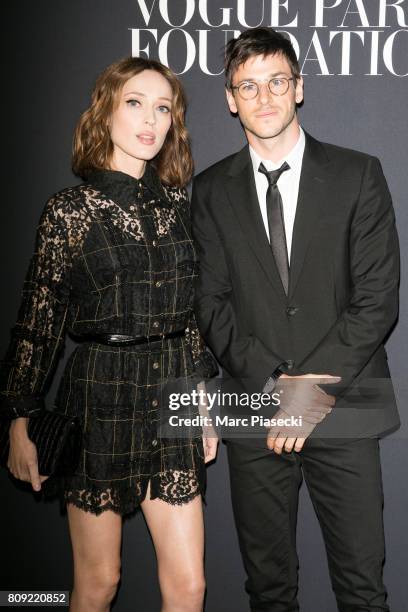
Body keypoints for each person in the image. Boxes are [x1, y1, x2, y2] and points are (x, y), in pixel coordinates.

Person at [192, 28, 400, 612]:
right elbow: (210, 304)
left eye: (276, 82)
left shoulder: (360, 173)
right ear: (231, 99)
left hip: (345, 401)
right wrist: (274, 388)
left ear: (299, 88)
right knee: (269, 592)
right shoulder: (208, 191)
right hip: (254, 410)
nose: (264, 98)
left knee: (363, 590)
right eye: (248, 86)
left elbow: (378, 297)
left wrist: (306, 395)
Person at [1, 56, 219, 612]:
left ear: (174, 122)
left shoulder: (176, 207)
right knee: (100, 583)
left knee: (189, 585)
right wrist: (18, 415)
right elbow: (38, 320)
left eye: (163, 108)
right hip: (100, 394)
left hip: (172, 388)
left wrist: (202, 397)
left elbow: (188, 312)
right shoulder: (68, 211)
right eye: (134, 103)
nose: (150, 120)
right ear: (106, 111)